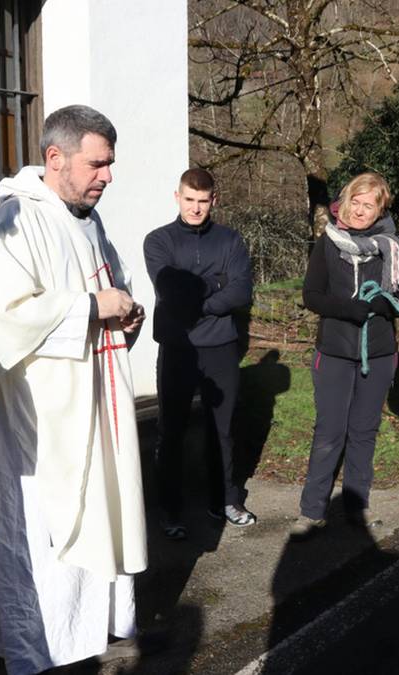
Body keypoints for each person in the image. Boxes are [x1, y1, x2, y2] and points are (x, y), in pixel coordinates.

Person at [0, 104, 148, 673]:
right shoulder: (15, 220)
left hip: (96, 404)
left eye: (110, 164)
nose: (107, 176)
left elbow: (108, 293)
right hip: (40, 425)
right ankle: (37, 652)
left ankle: (82, 642)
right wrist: (91, 307)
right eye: (97, 164)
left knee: (95, 519)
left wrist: (122, 317)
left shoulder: (88, 220)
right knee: (42, 537)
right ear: (54, 158)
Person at [291, 172, 399, 538]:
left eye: (369, 205)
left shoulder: (393, 247)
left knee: (364, 432)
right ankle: (312, 510)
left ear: (380, 209)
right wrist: (347, 309)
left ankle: (357, 506)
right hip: (334, 353)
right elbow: (311, 295)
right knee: (330, 432)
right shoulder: (327, 244)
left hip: (377, 355)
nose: (361, 211)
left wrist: (382, 303)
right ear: (346, 203)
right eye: (356, 203)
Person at [144, 168, 255, 539]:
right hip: (178, 348)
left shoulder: (230, 239)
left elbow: (241, 292)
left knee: (220, 431)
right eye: (189, 200)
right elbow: (171, 291)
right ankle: (171, 510)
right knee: (171, 430)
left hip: (221, 348)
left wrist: (199, 301)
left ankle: (223, 500)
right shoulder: (158, 241)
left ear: (213, 201)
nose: (195, 208)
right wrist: (217, 281)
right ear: (177, 198)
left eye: (202, 201)